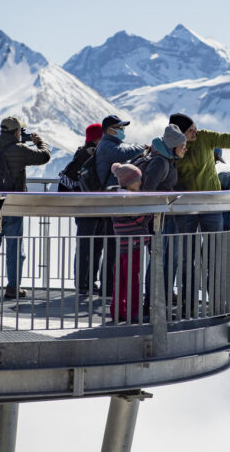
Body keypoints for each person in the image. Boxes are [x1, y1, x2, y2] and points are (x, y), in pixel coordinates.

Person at [0, 116, 51, 298]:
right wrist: (38, 142)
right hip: (12, 203)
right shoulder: (19, 149)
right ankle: (12, 288)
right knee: (14, 248)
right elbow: (44, 157)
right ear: (16, 132)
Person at [94, 115, 146, 296]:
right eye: (119, 127)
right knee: (112, 248)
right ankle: (108, 288)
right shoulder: (108, 146)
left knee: (113, 247)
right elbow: (124, 154)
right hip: (111, 202)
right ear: (109, 129)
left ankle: (110, 288)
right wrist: (142, 147)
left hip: (113, 201)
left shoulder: (110, 144)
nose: (122, 131)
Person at [138, 124, 187, 311]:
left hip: (163, 217)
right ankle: (151, 302)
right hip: (157, 219)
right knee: (158, 258)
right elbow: (149, 191)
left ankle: (156, 300)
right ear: (173, 146)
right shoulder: (160, 163)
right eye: (182, 146)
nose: (185, 149)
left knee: (161, 258)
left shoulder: (166, 160)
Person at [58, 123, 104, 294]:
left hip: (85, 206)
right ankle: (86, 283)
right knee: (91, 246)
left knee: (87, 245)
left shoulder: (83, 154)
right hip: (91, 206)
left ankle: (85, 282)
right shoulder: (88, 156)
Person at [109, 163, 151, 322]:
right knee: (133, 279)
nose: (140, 183)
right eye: (137, 180)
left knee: (120, 277)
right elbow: (141, 218)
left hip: (122, 243)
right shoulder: (129, 199)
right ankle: (133, 313)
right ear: (129, 181)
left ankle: (117, 310)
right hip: (134, 242)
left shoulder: (115, 196)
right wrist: (149, 214)